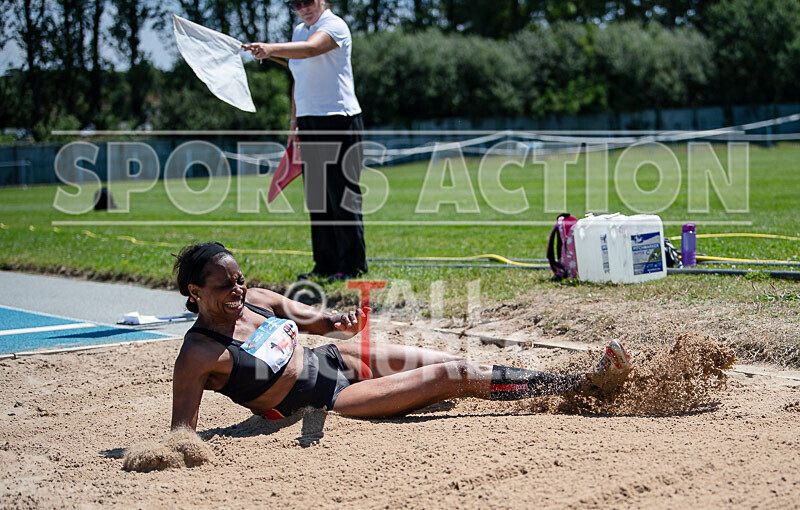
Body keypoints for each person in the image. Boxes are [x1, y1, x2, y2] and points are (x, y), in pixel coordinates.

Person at [170, 242, 633, 430]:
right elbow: (181, 433)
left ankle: (557, 379)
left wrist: (342, 322)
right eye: (225, 286)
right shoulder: (198, 354)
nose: (238, 289)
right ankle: (579, 385)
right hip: (322, 402)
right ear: (195, 293)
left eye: (240, 280)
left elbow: (320, 323)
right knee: (454, 374)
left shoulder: (261, 300)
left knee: (449, 357)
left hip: (338, 359)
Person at [244, 0, 367, 282]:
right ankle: (325, 265)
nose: (303, 8)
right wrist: (294, 123)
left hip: (338, 119)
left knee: (341, 195)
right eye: (295, 4)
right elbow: (298, 79)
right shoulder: (299, 31)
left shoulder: (334, 26)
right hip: (310, 121)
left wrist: (270, 48)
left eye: (308, 1)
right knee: (317, 197)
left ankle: (352, 267)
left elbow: (312, 49)